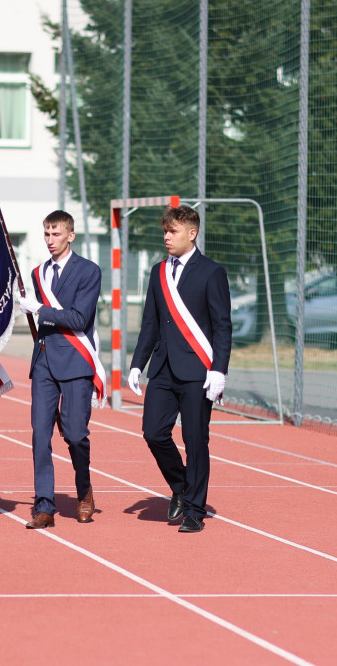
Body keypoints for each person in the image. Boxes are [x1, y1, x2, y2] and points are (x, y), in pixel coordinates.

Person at [127, 205, 231, 533]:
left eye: (173, 231)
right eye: (165, 231)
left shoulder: (211, 272)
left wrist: (219, 369)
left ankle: (195, 511)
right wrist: (136, 364)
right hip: (162, 369)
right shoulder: (158, 273)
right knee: (153, 432)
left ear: (192, 233)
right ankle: (182, 487)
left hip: (198, 371)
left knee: (195, 439)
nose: (166, 237)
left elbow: (222, 326)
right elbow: (150, 323)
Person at [17, 211, 104, 529]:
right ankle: (44, 505)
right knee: (41, 433)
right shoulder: (37, 273)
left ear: (71, 235)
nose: (50, 240)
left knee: (76, 434)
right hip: (43, 362)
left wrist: (40, 309)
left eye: (56, 234)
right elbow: (43, 319)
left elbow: (80, 319)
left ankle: (84, 491)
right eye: (46, 234)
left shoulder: (89, 271)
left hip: (76, 362)